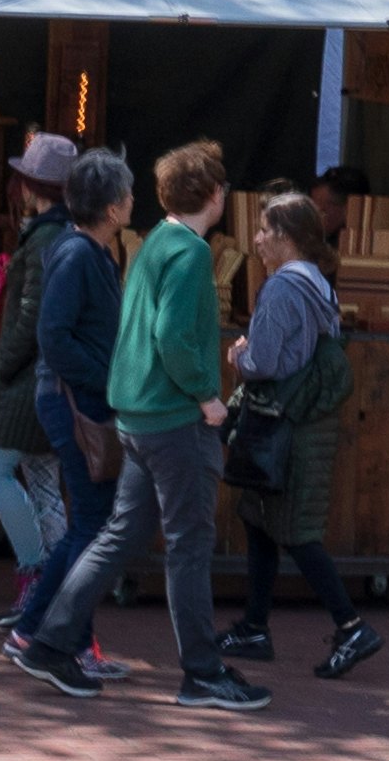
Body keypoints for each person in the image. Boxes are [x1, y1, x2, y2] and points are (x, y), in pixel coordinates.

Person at [33, 139, 257, 711]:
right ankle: (202, 673)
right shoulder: (189, 253)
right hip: (174, 419)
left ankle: (52, 640)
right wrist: (208, 397)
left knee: (119, 535)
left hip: (137, 418)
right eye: (223, 186)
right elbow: (172, 338)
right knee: (188, 546)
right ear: (213, 194)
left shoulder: (155, 242)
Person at [221, 187, 379, 679]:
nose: (259, 238)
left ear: (287, 237)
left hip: (285, 427)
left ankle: (352, 627)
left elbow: (264, 360)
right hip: (304, 423)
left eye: (267, 230)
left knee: (296, 533)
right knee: (263, 520)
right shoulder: (317, 283)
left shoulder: (283, 287)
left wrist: (238, 355)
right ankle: (253, 626)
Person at [6, 151, 136, 668]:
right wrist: (109, 384)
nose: (131, 201)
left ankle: (51, 633)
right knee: (91, 527)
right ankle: (51, 634)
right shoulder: (80, 254)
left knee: (92, 525)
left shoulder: (93, 252)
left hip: (80, 400)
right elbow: (54, 337)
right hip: (74, 403)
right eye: (125, 194)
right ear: (109, 208)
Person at [0, 134, 89, 591]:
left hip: (28, 378)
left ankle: (34, 572)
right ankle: (56, 588)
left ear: (33, 188)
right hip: (55, 379)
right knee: (43, 482)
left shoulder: (44, 238)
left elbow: (30, 315)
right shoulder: (68, 234)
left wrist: (4, 366)